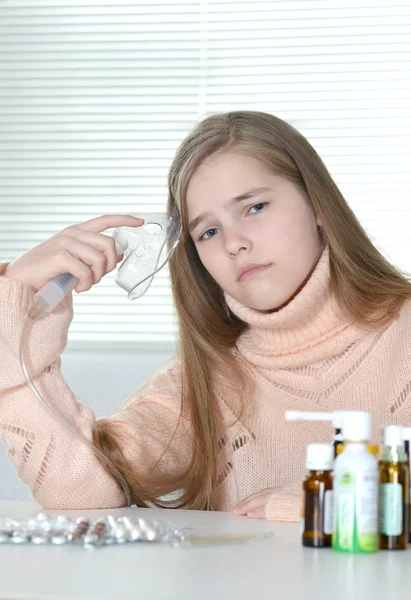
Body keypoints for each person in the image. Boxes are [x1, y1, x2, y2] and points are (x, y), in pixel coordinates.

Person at [1, 111, 411, 521]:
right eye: (208, 232)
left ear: (318, 204)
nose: (234, 243)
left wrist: (329, 500)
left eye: (255, 207)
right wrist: (15, 301)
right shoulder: (204, 381)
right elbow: (83, 490)